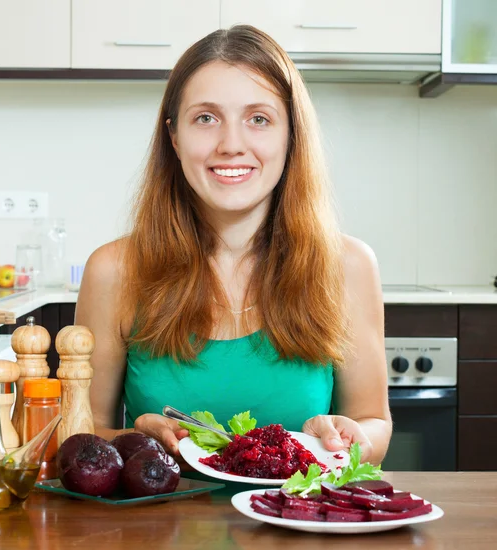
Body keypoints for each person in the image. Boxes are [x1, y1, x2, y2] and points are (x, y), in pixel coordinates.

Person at [76, 24, 392, 466]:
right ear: (174, 136)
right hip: (155, 531)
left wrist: (347, 439)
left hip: (299, 529)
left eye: (258, 119)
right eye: (206, 118)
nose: (231, 144)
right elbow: (82, 430)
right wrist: (133, 438)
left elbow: (372, 419)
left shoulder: (348, 266)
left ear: (290, 135)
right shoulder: (113, 270)